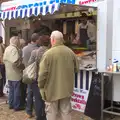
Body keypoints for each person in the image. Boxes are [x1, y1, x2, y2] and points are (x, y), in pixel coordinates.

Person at [38, 31, 79, 120]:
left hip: (51, 89)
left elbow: (42, 74)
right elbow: (76, 69)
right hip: (66, 89)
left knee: (51, 113)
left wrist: (41, 86)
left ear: (52, 40)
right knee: (66, 112)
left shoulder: (48, 54)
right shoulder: (70, 52)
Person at [28, 35, 50, 120]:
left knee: (38, 99)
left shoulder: (34, 52)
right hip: (48, 78)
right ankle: (46, 115)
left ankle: (39, 116)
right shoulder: (50, 52)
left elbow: (30, 64)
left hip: (36, 78)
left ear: (39, 42)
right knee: (47, 99)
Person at [3, 36, 25, 111]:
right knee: (17, 91)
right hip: (15, 73)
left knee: (11, 90)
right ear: (17, 42)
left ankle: (11, 104)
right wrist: (22, 67)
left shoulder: (7, 48)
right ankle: (17, 106)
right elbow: (15, 62)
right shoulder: (14, 49)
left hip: (9, 73)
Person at [22, 33, 40, 118]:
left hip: (28, 73)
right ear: (36, 40)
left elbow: (22, 61)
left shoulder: (24, 49)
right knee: (37, 95)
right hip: (36, 74)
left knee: (29, 93)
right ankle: (38, 113)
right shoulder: (38, 50)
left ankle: (28, 111)